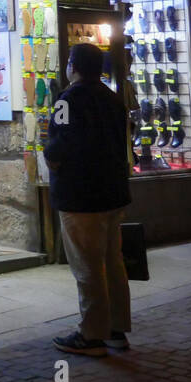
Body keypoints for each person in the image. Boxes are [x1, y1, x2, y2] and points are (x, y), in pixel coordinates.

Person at [44, 42, 132, 356]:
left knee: (87, 266)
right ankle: (116, 329)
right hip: (112, 193)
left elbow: (59, 144)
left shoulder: (67, 100)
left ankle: (91, 334)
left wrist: (51, 159)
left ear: (73, 66)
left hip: (80, 196)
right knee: (112, 262)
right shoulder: (113, 98)